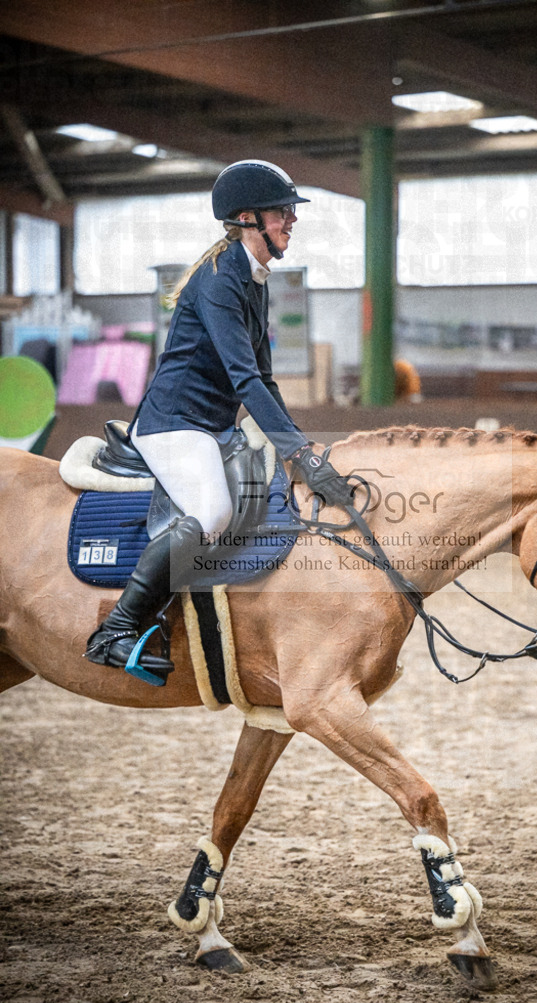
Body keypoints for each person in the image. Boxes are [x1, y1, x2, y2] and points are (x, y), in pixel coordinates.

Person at [85, 159, 353, 677]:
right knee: (212, 514)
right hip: (174, 423)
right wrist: (298, 451)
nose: (291, 222)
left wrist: (299, 448)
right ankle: (117, 627)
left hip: (214, 426)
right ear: (249, 218)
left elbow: (265, 379)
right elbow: (243, 379)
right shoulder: (217, 278)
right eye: (282, 214)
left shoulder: (254, 278)